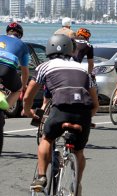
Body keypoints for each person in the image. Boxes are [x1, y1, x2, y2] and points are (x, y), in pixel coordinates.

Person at [22, 34, 99, 193]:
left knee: (47, 138)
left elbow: (29, 95)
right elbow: (95, 104)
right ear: (71, 50)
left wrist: (28, 110)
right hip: (83, 112)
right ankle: (76, 185)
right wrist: (87, 118)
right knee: (79, 150)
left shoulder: (45, 66)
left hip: (60, 109)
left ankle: (41, 177)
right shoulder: (83, 69)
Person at [0, 22, 29, 110]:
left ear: (7, 32)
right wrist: (23, 86)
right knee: (17, 89)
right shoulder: (23, 46)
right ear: (20, 35)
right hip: (7, 68)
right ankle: (3, 109)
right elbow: (25, 71)